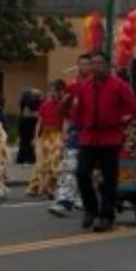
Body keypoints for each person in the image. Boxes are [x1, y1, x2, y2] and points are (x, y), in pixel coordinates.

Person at [70, 51, 136, 233]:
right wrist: (76, 126)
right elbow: (77, 111)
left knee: (109, 179)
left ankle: (106, 215)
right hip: (89, 137)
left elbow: (134, 109)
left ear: (108, 66)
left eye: (100, 63)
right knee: (81, 173)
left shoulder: (119, 86)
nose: (96, 67)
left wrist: (122, 121)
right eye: (93, 63)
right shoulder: (84, 86)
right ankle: (91, 208)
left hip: (111, 137)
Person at [50, 54, 92, 217]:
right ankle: (64, 200)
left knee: (89, 169)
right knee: (69, 165)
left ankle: (83, 198)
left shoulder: (97, 85)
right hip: (76, 131)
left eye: (87, 64)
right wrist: (65, 130)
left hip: (94, 132)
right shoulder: (72, 86)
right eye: (81, 64)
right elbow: (64, 113)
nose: (84, 67)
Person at [26, 81, 65, 199]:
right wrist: (35, 137)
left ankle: (51, 188)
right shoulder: (44, 105)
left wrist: (64, 136)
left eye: (54, 91)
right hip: (46, 135)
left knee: (54, 162)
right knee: (42, 162)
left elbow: (66, 121)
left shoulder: (63, 105)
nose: (51, 93)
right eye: (50, 91)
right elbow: (39, 122)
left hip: (58, 135)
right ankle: (40, 186)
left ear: (59, 92)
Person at [16, 88, 41, 164]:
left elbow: (24, 113)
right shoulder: (32, 103)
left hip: (25, 123)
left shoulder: (24, 103)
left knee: (24, 141)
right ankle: (30, 158)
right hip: (31, 123)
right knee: (29, 141)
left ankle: (22, 157)